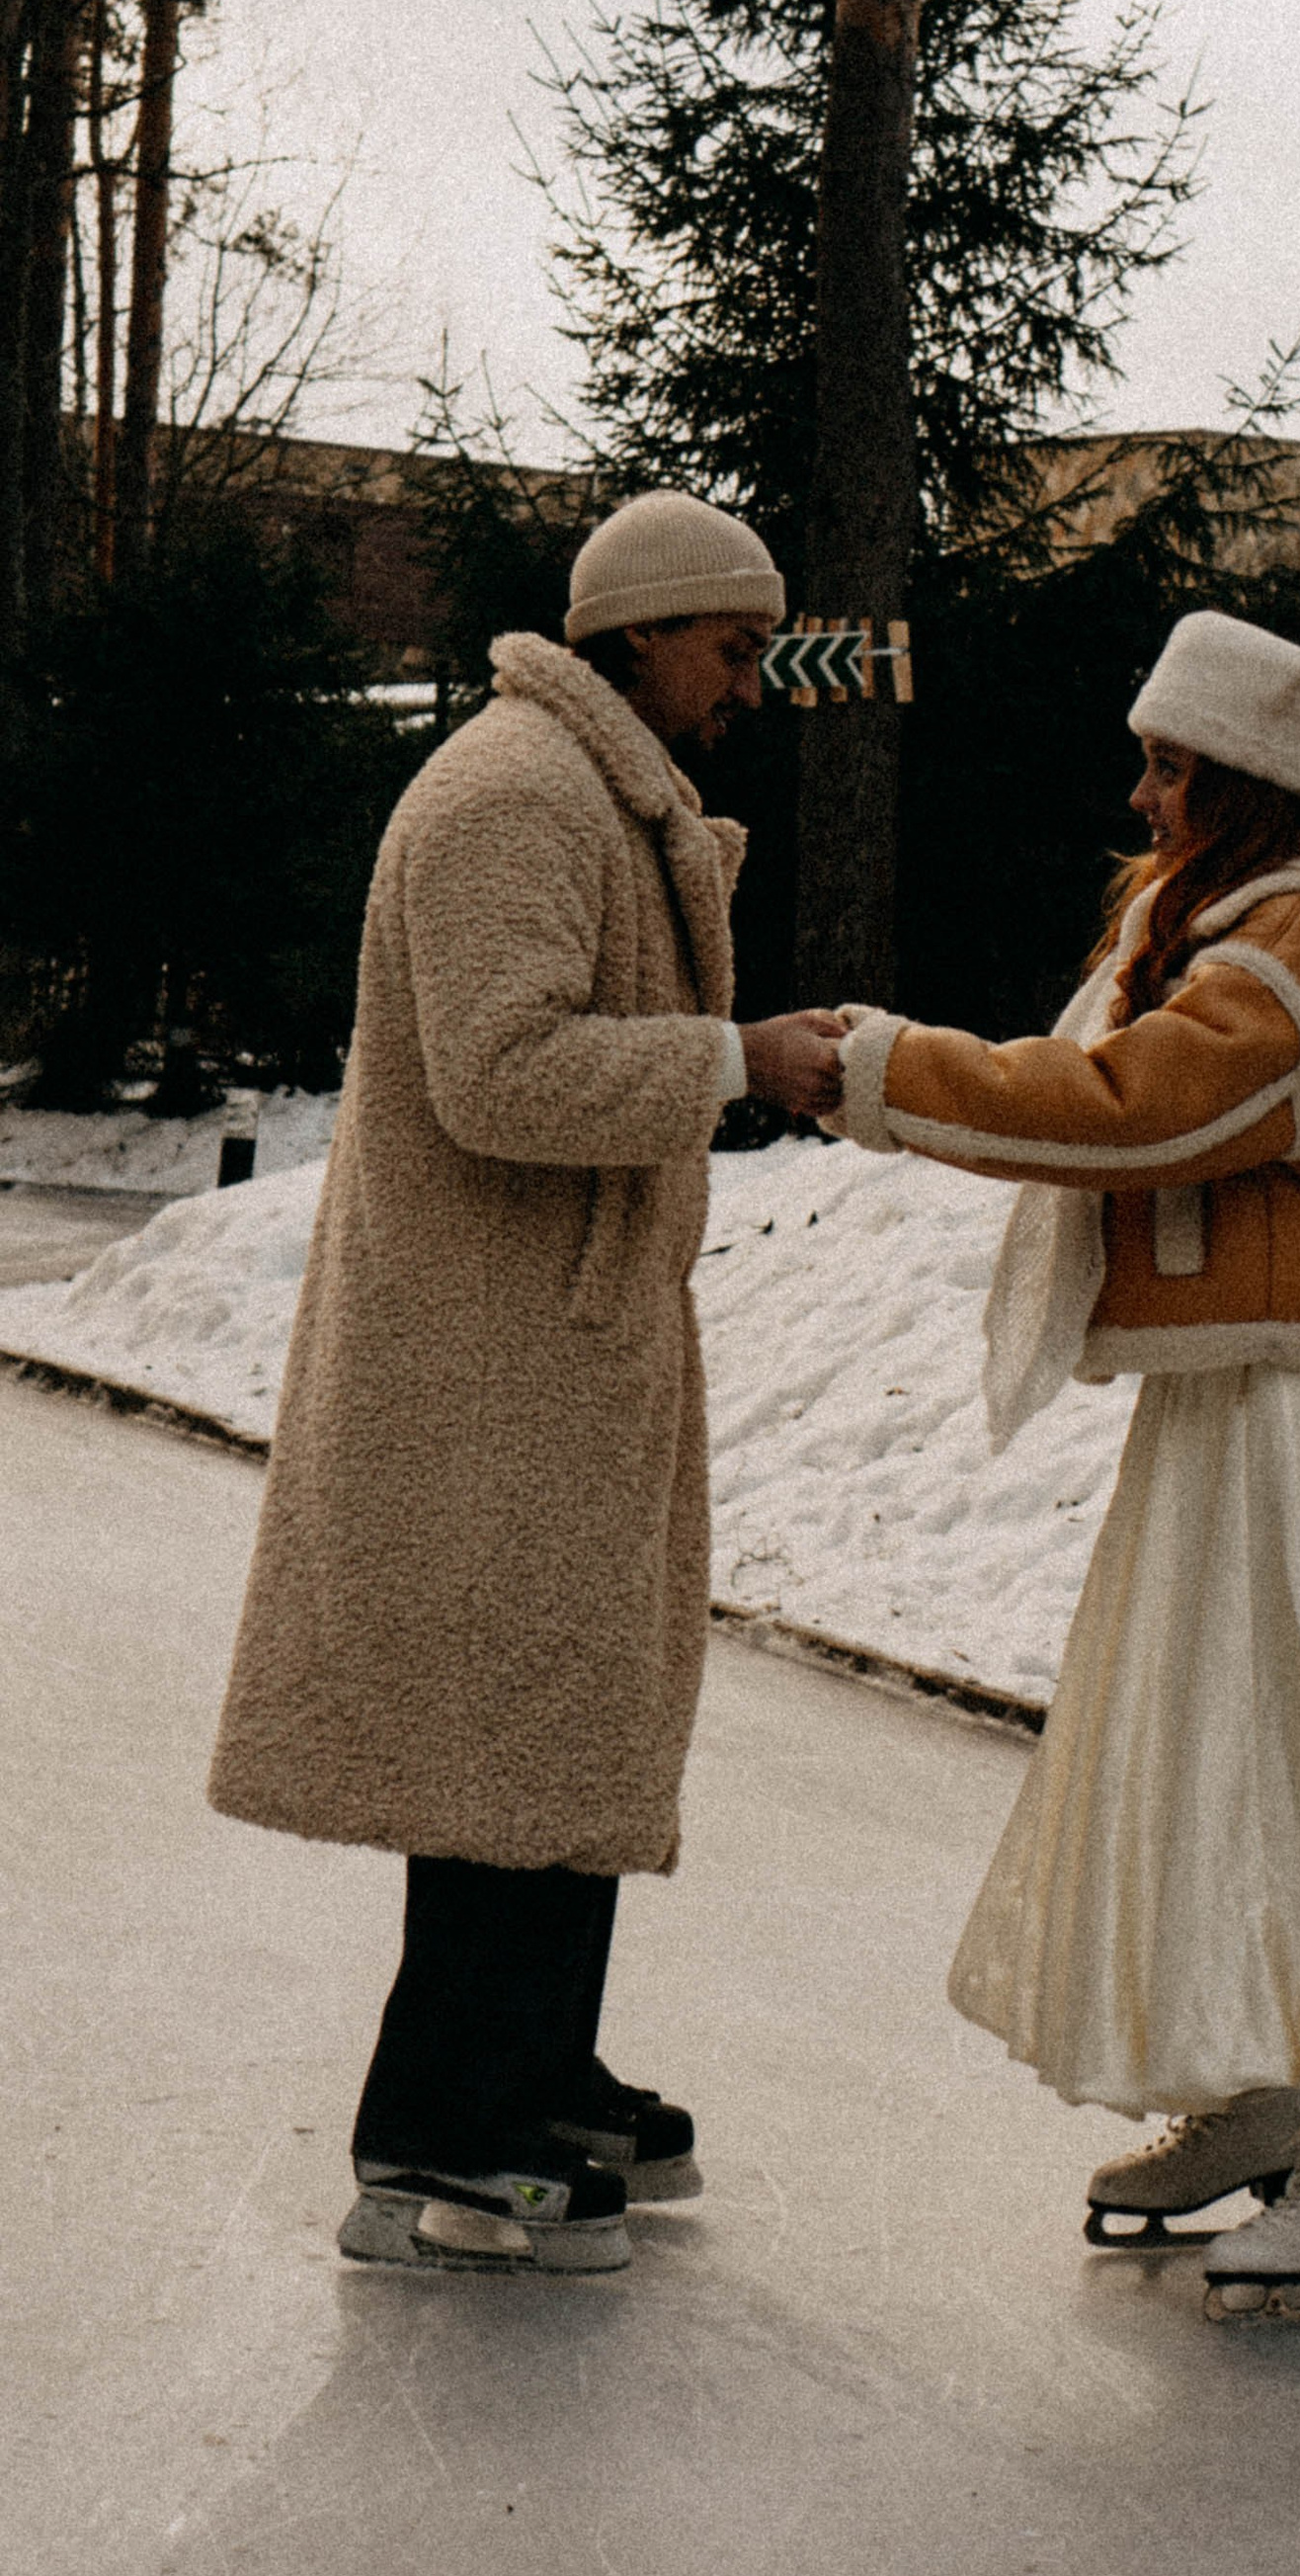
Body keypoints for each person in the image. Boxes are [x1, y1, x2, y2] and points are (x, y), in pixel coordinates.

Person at [827, 608, 1300, 2310]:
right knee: (1217, 1742)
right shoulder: (1237, 928)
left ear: (1248, 780)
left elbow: (1128, 1108)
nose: (1141, 796)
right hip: (1240, 1394)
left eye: (1170, 765)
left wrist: (879, 1070)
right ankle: (1259, 2090)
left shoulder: (1296, 961)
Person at [207, 491, 844, 2277]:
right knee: (501, 1725)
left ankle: (536, 2067)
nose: (752, 687)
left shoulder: (587, 790)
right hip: (484, 1358)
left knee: (563, 1713)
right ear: (642, 631)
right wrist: (734, 1057)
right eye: (732, 648)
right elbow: (497, 1072)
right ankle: (439, 2120)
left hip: (551, 1345)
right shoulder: (514, 796)